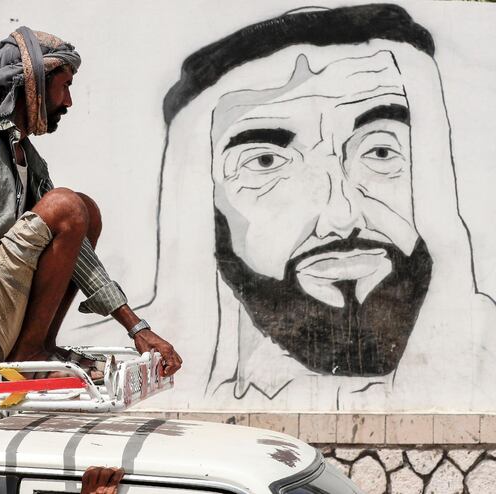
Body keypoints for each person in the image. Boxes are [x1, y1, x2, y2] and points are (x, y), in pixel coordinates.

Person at [152, 4, 496, 409]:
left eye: (381, 151)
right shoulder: (103, 362)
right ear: (204, 204)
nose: (341, 217)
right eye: (266, 162)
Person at [0, 27, 181, 378]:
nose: (68, 101)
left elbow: (78, 252)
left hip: (1, 314)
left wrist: (137, 328)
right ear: (32, 84)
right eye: (64, 87)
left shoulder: (30, 161)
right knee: (66, 205)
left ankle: (38, 345)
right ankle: (30, 351)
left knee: (83, 210)